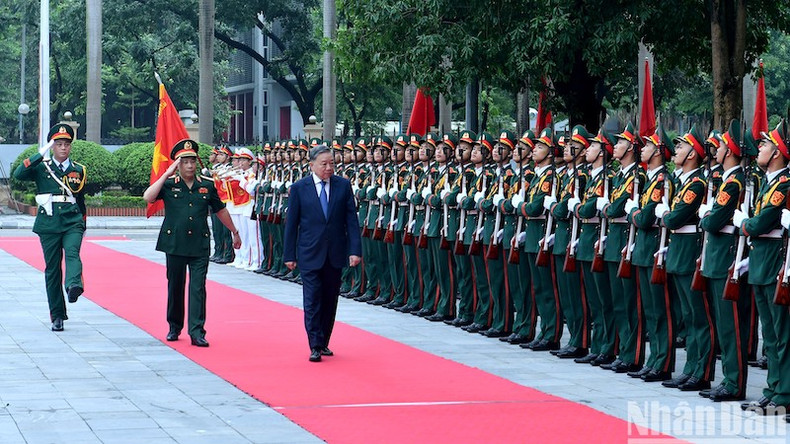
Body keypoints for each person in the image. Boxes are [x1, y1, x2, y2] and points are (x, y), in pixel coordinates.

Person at [143, 139, 241, 347]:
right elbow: (148, 197)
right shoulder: (169, 185)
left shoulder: (206, 185)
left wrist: (234, 231)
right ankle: (174, 326)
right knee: (175, 286)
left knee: (198, 288)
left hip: (199, 244)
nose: (189, 165)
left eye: (192, 161)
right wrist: (166, 174)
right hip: (175, 243)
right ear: (178, 164)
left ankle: (197, 331)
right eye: (184, 161)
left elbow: (220, 210)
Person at [283, 144, 362, 362]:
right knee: (312, 299)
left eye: (332, 164)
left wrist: (355, 250)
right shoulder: (300, 188)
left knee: (329, 299)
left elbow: (351, 221)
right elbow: (292, 224)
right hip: (309, 252)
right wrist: (289, 254)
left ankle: (324, 340)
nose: (328, 168)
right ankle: (315, 344)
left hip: (335, 252)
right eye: (324, 164)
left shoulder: (343, 186)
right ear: (312, 165)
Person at [13, 123, 87, 332]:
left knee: (72, 252)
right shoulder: (41, 167)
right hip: (49, 223)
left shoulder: (79, 170)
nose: (63, 148)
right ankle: (57, 315)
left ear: (70, 147)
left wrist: (83, 223)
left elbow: (80, 199)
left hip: (72, 221)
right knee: (52, 269)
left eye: (66, 144)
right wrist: (40, 153)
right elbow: (19, 173)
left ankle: (73, 286)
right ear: (52, 146)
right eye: (59, 144)